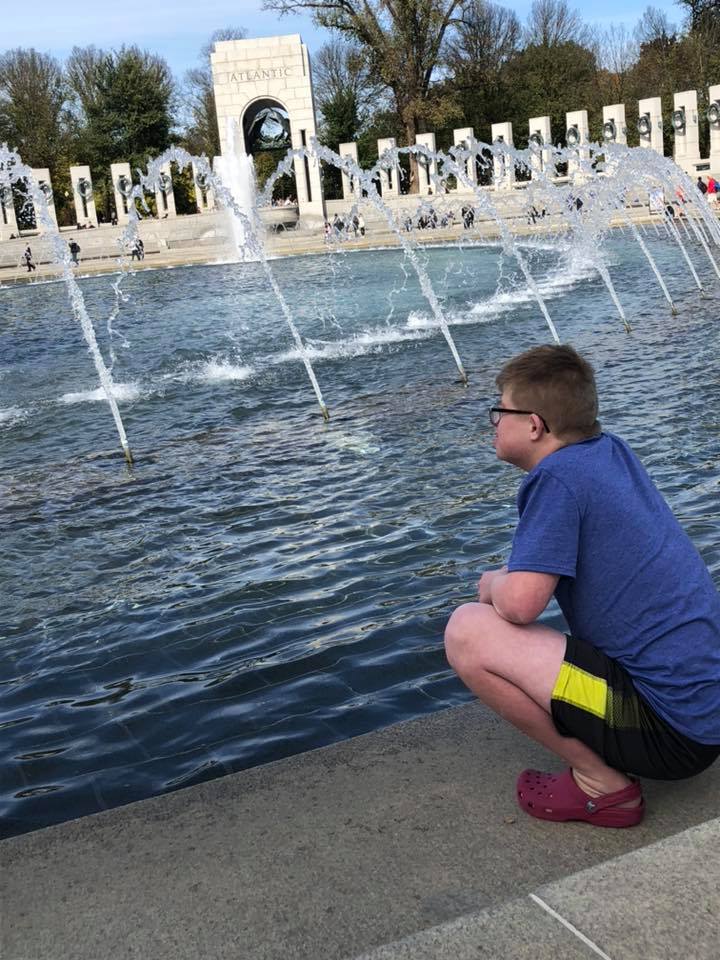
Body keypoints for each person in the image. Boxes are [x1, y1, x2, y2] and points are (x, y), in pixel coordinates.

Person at [445, 344, 720, 828]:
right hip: (700, 711)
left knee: (467, 630)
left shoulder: (558, 478)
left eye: (499, 411)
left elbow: (523, 603)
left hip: (671, 731)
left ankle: (602, 786)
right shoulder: (608, 452)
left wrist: (492, 583)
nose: (493, 424)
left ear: (533, 425)